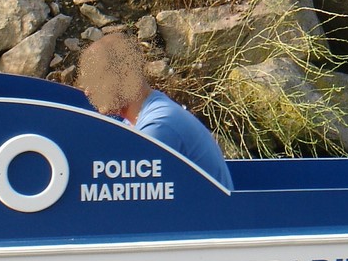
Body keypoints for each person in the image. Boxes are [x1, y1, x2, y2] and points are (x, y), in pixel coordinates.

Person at [76, 33, 234, 190]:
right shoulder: (136, 122)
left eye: (97, 78)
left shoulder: (159, 125)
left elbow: (133, 204)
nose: (88, 91)